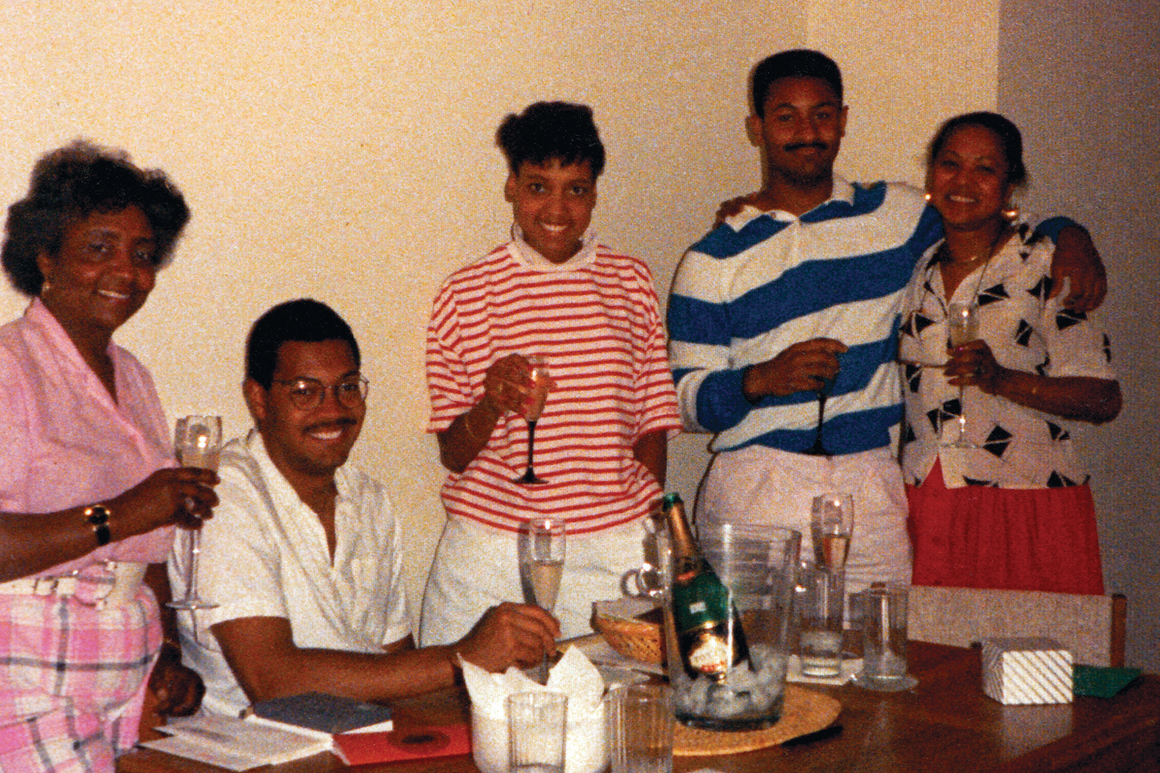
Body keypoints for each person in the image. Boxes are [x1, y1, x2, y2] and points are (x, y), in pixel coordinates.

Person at [666, 50, 1106, 592]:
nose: (808, 131)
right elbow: (683, 402)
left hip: (868, 484)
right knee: (751, 663)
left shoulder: (898, 216)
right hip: (755, 483)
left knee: (879, 663)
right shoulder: (711, 259)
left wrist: (1070, 234)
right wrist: (759, 380)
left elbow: (986, 214)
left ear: (844, 120)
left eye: (822, 114)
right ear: (756, 129)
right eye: (786, 116)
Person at [174, 298, 558, 716]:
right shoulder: (223, 493)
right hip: (254, 748)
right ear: (259, 399)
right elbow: (274, 681)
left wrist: (498, 683)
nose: (333, 409)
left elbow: (400, 670)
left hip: (365, 740)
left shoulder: (370, 499)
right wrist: (463, 657)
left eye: (348, 387)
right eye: (306, 392)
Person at [420, 101, 682, 644]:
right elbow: (453, 454)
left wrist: (651, 531)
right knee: (478, 714)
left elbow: (652, 424)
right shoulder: (465, 295)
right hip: (493, 553)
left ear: (594, 194)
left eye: (577, 189)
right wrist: (491, 402)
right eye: (539, 187)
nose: (558, 208)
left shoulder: (631, 283)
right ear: (512, 186)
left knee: (607, 710)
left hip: (612, 548)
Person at [0, 141, 217, 771]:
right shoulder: (10, 366)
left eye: (143, 254)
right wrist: (120, 514)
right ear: (45, 255)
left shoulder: (135, 377)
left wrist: (169, 658)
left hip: (123, 676)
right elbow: (128, 518)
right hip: (25, 673)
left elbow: (148, 547)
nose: (126, 270)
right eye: (99, 248)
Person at [898, 112, 1120, 594]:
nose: (963, 181)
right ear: (931, 175)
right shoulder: (915, 267)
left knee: (1037, 667)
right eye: (950, 164)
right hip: (930, 497)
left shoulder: (1047, 265)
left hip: (1028, 500)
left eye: (985, 169)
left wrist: (1002, 380)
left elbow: (1103, 400)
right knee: (938, 663)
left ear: (1010, 184)